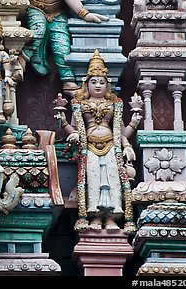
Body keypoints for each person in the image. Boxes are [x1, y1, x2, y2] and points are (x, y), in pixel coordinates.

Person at [54, 49, 140, 234]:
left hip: (111, 147)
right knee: (92, 180)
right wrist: (64, 124)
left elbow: (121, 131)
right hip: (90, 147)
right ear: (86, 84)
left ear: (108, 85)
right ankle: (94, 217)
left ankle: (111, 218)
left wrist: (129, 139)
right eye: (94, 82)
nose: (98, 85)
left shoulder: (114, 104)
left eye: (102, 82)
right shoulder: (79, 104)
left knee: (112, 181)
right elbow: (76, 129)